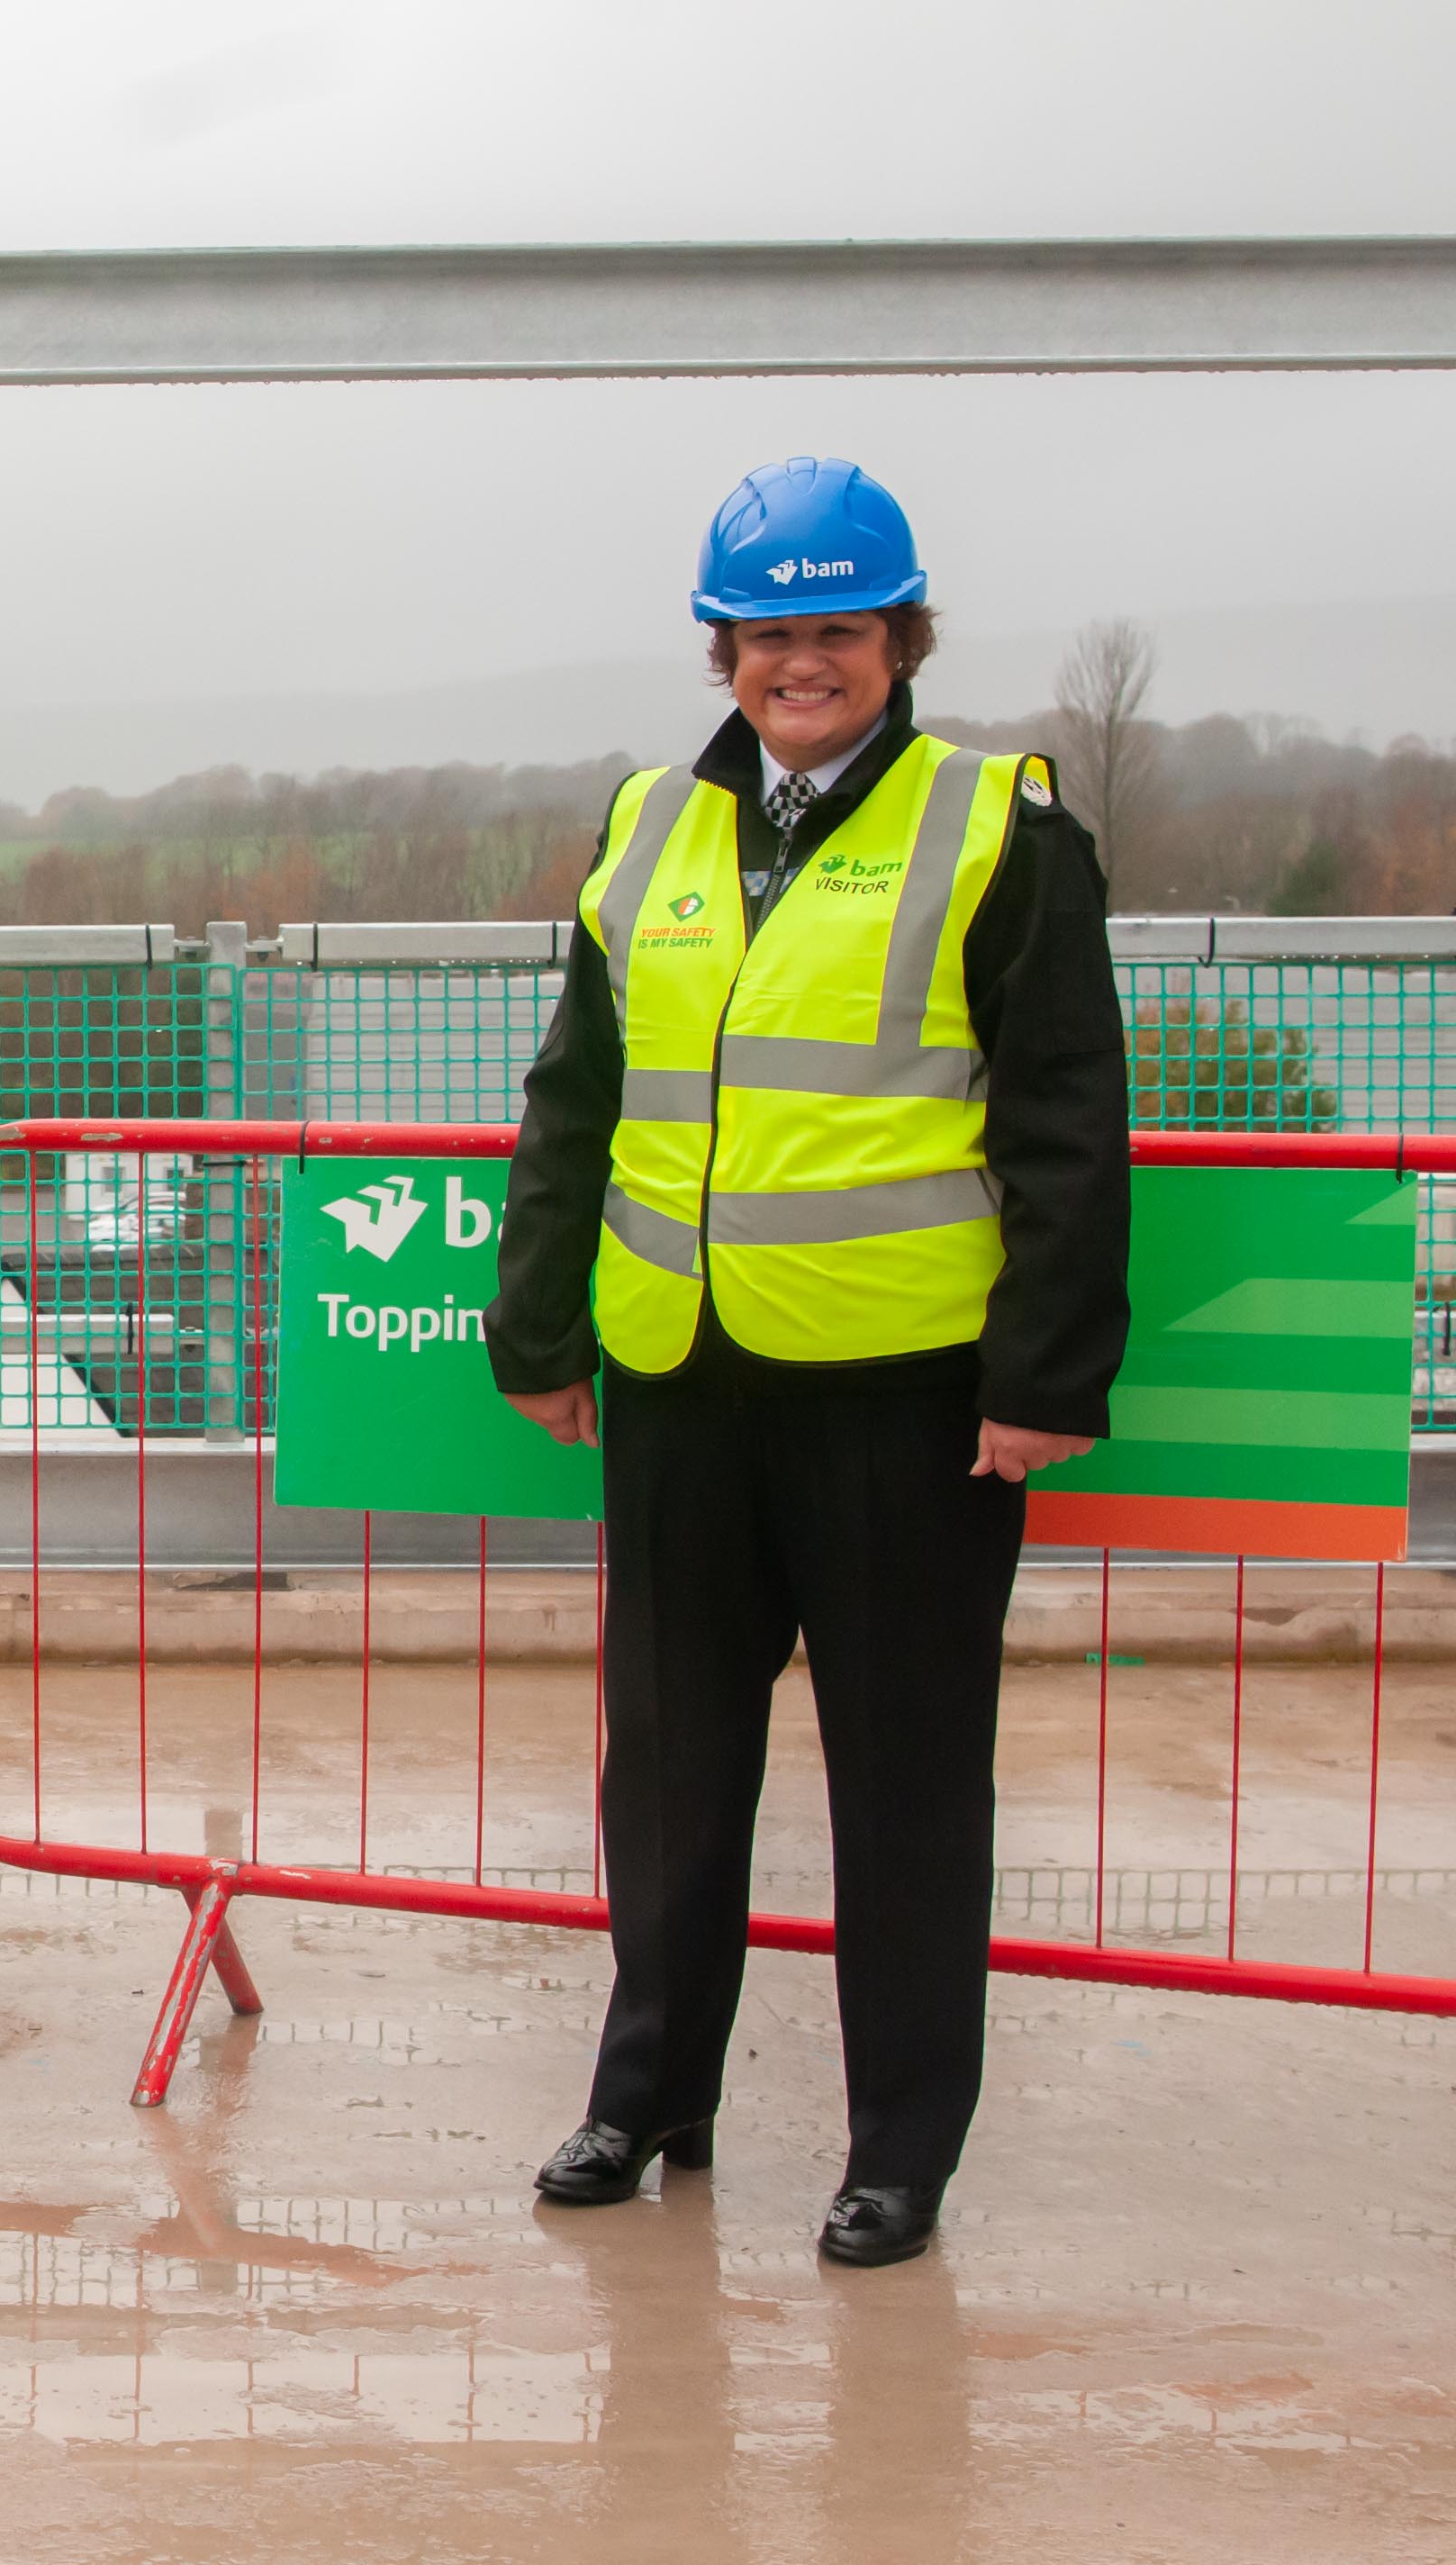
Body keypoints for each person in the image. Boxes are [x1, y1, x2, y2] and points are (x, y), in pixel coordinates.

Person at [486, 455, 1131, 2268]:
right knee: (667, 1768)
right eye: (768, 635)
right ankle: (647, 2093)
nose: (802, 663)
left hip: (903, 1397)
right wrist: (536, 1325)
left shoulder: (994, 827)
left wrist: (1042, 1377)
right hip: (679, 1381)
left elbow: (1069, 1118)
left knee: (905, 1782)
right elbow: (575, 1096)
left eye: (839, 629)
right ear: (726, 652)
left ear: (898, 640)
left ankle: (899, 2146)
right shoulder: (648, 828)